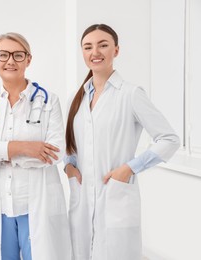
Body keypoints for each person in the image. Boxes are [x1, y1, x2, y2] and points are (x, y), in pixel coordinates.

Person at [64, 24, 180, 260]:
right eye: (88, 47)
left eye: (103, 45)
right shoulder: (76, 99)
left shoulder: (131, 94)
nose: (95, 52)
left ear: (116, 50)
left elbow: (169, 139)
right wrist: (69, 166)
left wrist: (129, 169)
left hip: (115, 196)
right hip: (82, 200)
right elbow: (73, 145)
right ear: (83, 53)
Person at [0, 32, 72, 260]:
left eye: (18, 55)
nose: (10, 61)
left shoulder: (48, 101)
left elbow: (55, 152)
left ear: (28, 59)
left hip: (34, 205)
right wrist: (23, 147)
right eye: (3, 54)